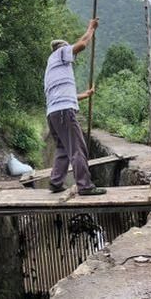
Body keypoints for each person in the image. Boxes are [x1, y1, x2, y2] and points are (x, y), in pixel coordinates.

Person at [44, 18, 106, 196]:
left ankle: (56, 182)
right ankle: (85, 186)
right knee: (78, 147)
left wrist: (85, 95)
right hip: (64, 113)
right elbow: (83, 44)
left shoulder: (52, 67)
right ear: (62, 48)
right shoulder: (60, 53)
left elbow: (63, 96)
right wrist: (91, 28)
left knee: (63, 148)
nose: (73, 56)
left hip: (54, 114)